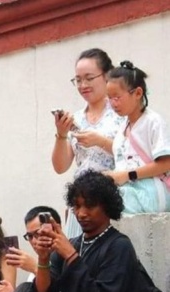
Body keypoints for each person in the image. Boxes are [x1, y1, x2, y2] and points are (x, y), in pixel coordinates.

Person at [52, 48, 124, 237]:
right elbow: (60, 166)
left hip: (112, 199)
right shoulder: (77, 119)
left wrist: (100, 141)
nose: (83, 85)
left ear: (106, 75)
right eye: (78, 79)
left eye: (89, 78)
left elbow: (134, 152)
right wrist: (61, 134)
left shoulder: (121, 111)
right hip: (82, 202)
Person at [104, 61, 170, 214]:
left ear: (138, 93)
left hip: (152, 192)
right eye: (109, 98)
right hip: (128, 191)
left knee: (100, 203)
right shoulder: (122, 127)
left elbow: (166, 163)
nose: (113, 103)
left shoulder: (153, 121)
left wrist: (127, 175)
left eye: (117, 97)